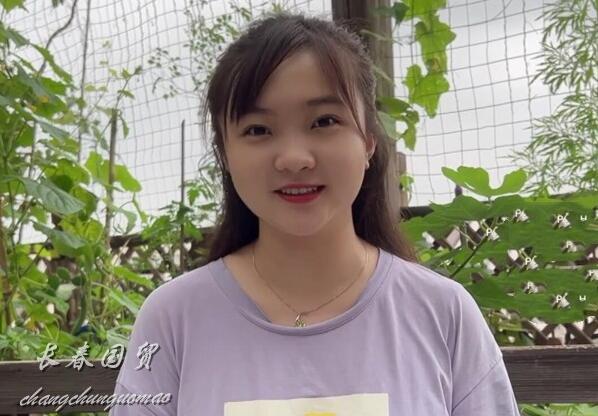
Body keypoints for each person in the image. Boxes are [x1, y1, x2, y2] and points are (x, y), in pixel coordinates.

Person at [109, 12, 520, 415]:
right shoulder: (173, 319)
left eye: (324, 121)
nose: (294, 158)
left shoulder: (443, 313)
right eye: (258, 129)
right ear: (225, 154)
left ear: (369, 140)